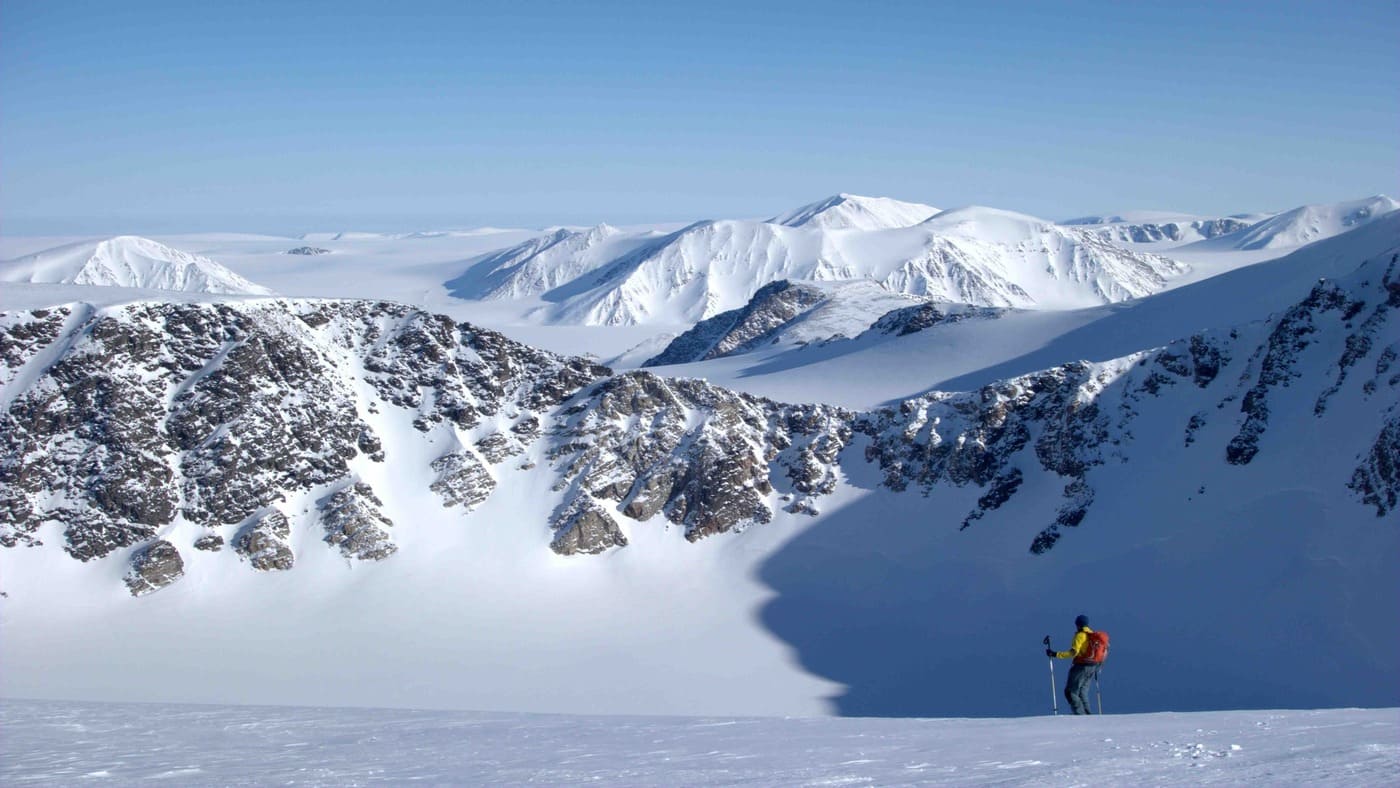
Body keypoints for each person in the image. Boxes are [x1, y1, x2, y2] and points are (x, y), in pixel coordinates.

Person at [1046, 614, 1101, 715]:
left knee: (1070, 692)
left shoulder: (1080, 635)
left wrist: (1055, 654)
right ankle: (1089, 716)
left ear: (1077, 624)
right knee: (1082, 693)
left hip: (1081, 666)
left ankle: (1080, 715)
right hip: (1092, 666)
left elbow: (1073, 652)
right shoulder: (1092, 635)